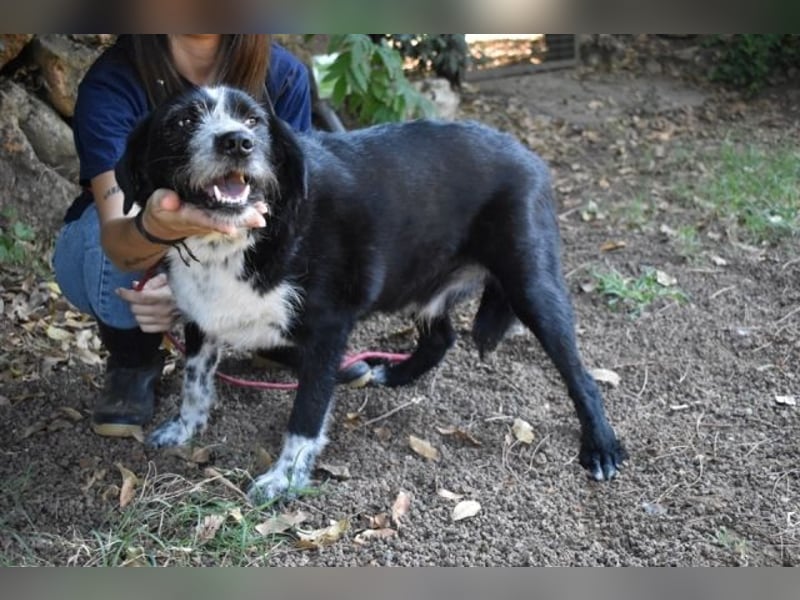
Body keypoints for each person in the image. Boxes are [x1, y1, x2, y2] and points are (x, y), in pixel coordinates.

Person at [53, 35, 313, 439]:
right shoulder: (112, 83)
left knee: (303, 230)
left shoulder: (283, 76)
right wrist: (175, 273)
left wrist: (188, 295)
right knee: (105, 264)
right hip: (147, 237)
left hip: (247, 248)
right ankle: (132, 359)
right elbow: (119, 227)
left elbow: (293, 202)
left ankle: (269, 333)